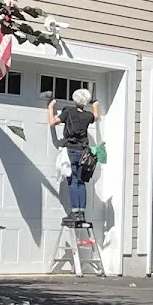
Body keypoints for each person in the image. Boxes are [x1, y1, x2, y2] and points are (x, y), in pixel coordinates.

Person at [48, 88, 98, 216]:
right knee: (81, 181)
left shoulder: (68, 112)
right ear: (86, 101)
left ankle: (75, 212)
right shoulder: (88, 115)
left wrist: (51, 107)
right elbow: (96, 117)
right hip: (83, 153)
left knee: (73, 181)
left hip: (70, 151)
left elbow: (52, 122)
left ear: (75, 99)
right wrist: (95, 106)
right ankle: (81, 212)